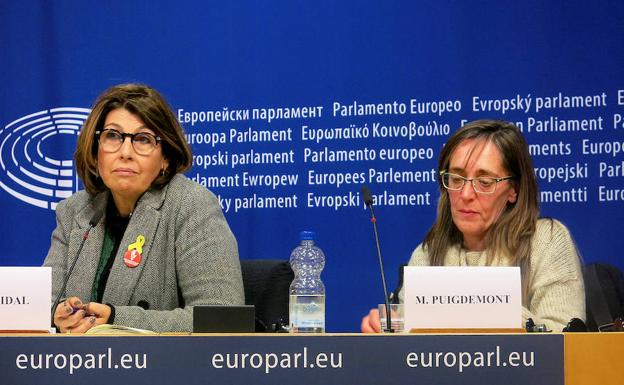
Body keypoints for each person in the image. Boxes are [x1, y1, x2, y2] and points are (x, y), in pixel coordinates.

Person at [44, 83, 244, 333]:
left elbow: (223, 316)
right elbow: (42, 306)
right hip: (75, 366)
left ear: (166, 158)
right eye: (112, 136)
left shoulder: (191, 205)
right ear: (96, 153)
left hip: (162, 368)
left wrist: (117, 320)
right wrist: (58, 315)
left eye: (143, 139)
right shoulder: (75, 211)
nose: (125, 152)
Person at [361, 119, 585, 333]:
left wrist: (480, 308)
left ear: (513, 190)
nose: (466, 194)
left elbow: (566, 339)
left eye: (485, 182)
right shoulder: (427, 254)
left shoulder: (547, 241)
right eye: (456, 179)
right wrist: (387, 332)